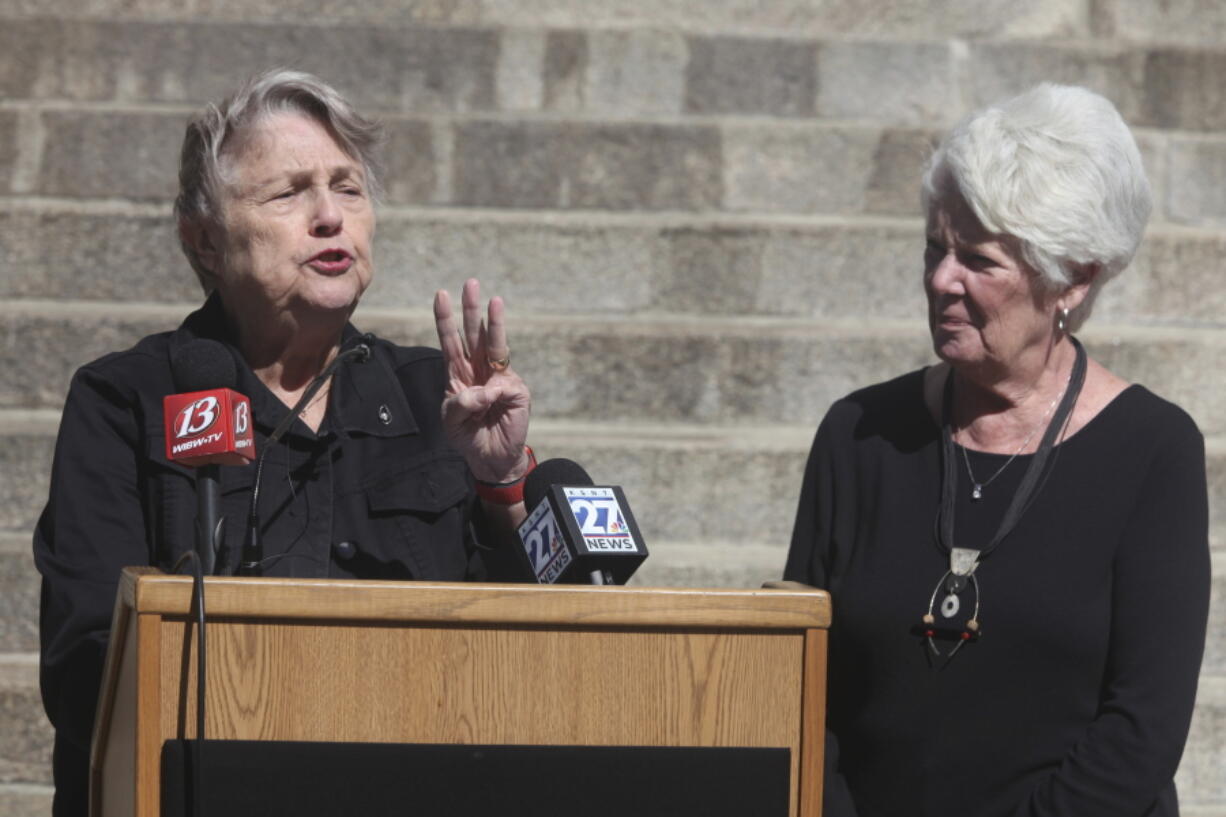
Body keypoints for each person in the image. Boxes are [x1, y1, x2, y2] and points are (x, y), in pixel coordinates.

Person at [33, 69, 535, 815]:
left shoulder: (440, 400)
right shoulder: (126, 400)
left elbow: (533, 660)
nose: (330, 216)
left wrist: (500, 491)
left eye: (349, 188)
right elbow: (87, 666)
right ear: (204, 241)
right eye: (289, 193)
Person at [783, 84, 1209, 817]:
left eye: (979, 260)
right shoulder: (857, 433)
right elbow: (800, 686)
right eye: (934, 249)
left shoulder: (1153, 450)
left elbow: (1142, 728)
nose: (942, 280)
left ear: (1072, 276)